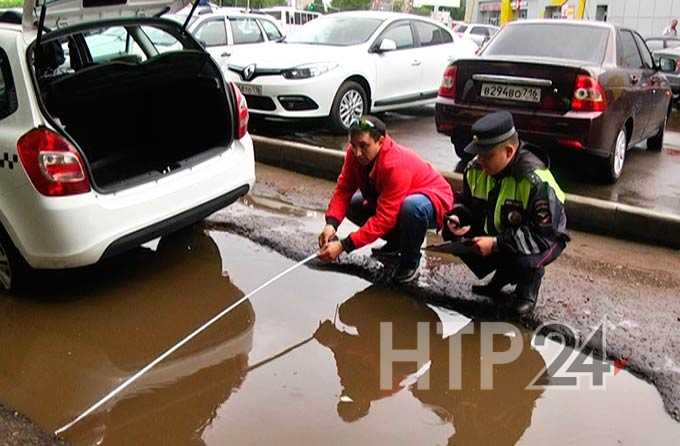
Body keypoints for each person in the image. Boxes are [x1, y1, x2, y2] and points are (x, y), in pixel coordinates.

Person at [442, 111, 569, 315]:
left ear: (509, 151)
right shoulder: (475, 168)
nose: (480, 161)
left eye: (487, 155)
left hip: (544, 236)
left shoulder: (535, 180)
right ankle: (502, 274)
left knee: (525, 255)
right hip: (500, 228)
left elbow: (542, 235)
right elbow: (467, 202)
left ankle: (528, 285)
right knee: (452, 235)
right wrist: (458, 216)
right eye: (478, 153)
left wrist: (495, 244)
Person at [318, 115, 453, 283]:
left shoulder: (395, 165)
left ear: (380, 141)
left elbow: (384, 218)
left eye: (364, 146)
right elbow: (344, 190)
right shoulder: (354, 155)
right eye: (353, 145)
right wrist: (331, 224)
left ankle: (410, 261)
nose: (357, 152)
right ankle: (396, 242)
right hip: (397, 199)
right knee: (354, 204)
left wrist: (344, 246)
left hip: (432, 199)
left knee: (411, 208)